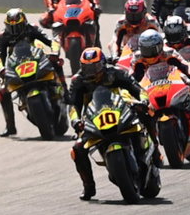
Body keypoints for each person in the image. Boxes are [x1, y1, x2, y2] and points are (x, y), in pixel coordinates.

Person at [67, 47, 164, 201]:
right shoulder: (78, 81)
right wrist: (75, 120)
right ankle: (88, 187)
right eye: (87, 68)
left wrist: (143, 101)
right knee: (77, 149)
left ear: (103, 64)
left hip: (121, 109)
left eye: (95, 67)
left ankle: (156, 150)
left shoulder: (116, 72)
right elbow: (73, 105)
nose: (91, 71)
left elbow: (136, 88)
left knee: (146, 113)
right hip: (94, 117)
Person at [0, 8, 62, 137]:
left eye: (17, 26)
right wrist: (1, 69)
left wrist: (54, 52)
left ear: (23, 23)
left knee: (56, 63)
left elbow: (51, 41)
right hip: (17, 64)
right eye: (11, 27)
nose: (14, 31)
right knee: (3, 92)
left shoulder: (32, 28)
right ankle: (10, 127)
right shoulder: (3, 37)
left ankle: (65, 91)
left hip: (36, 58)